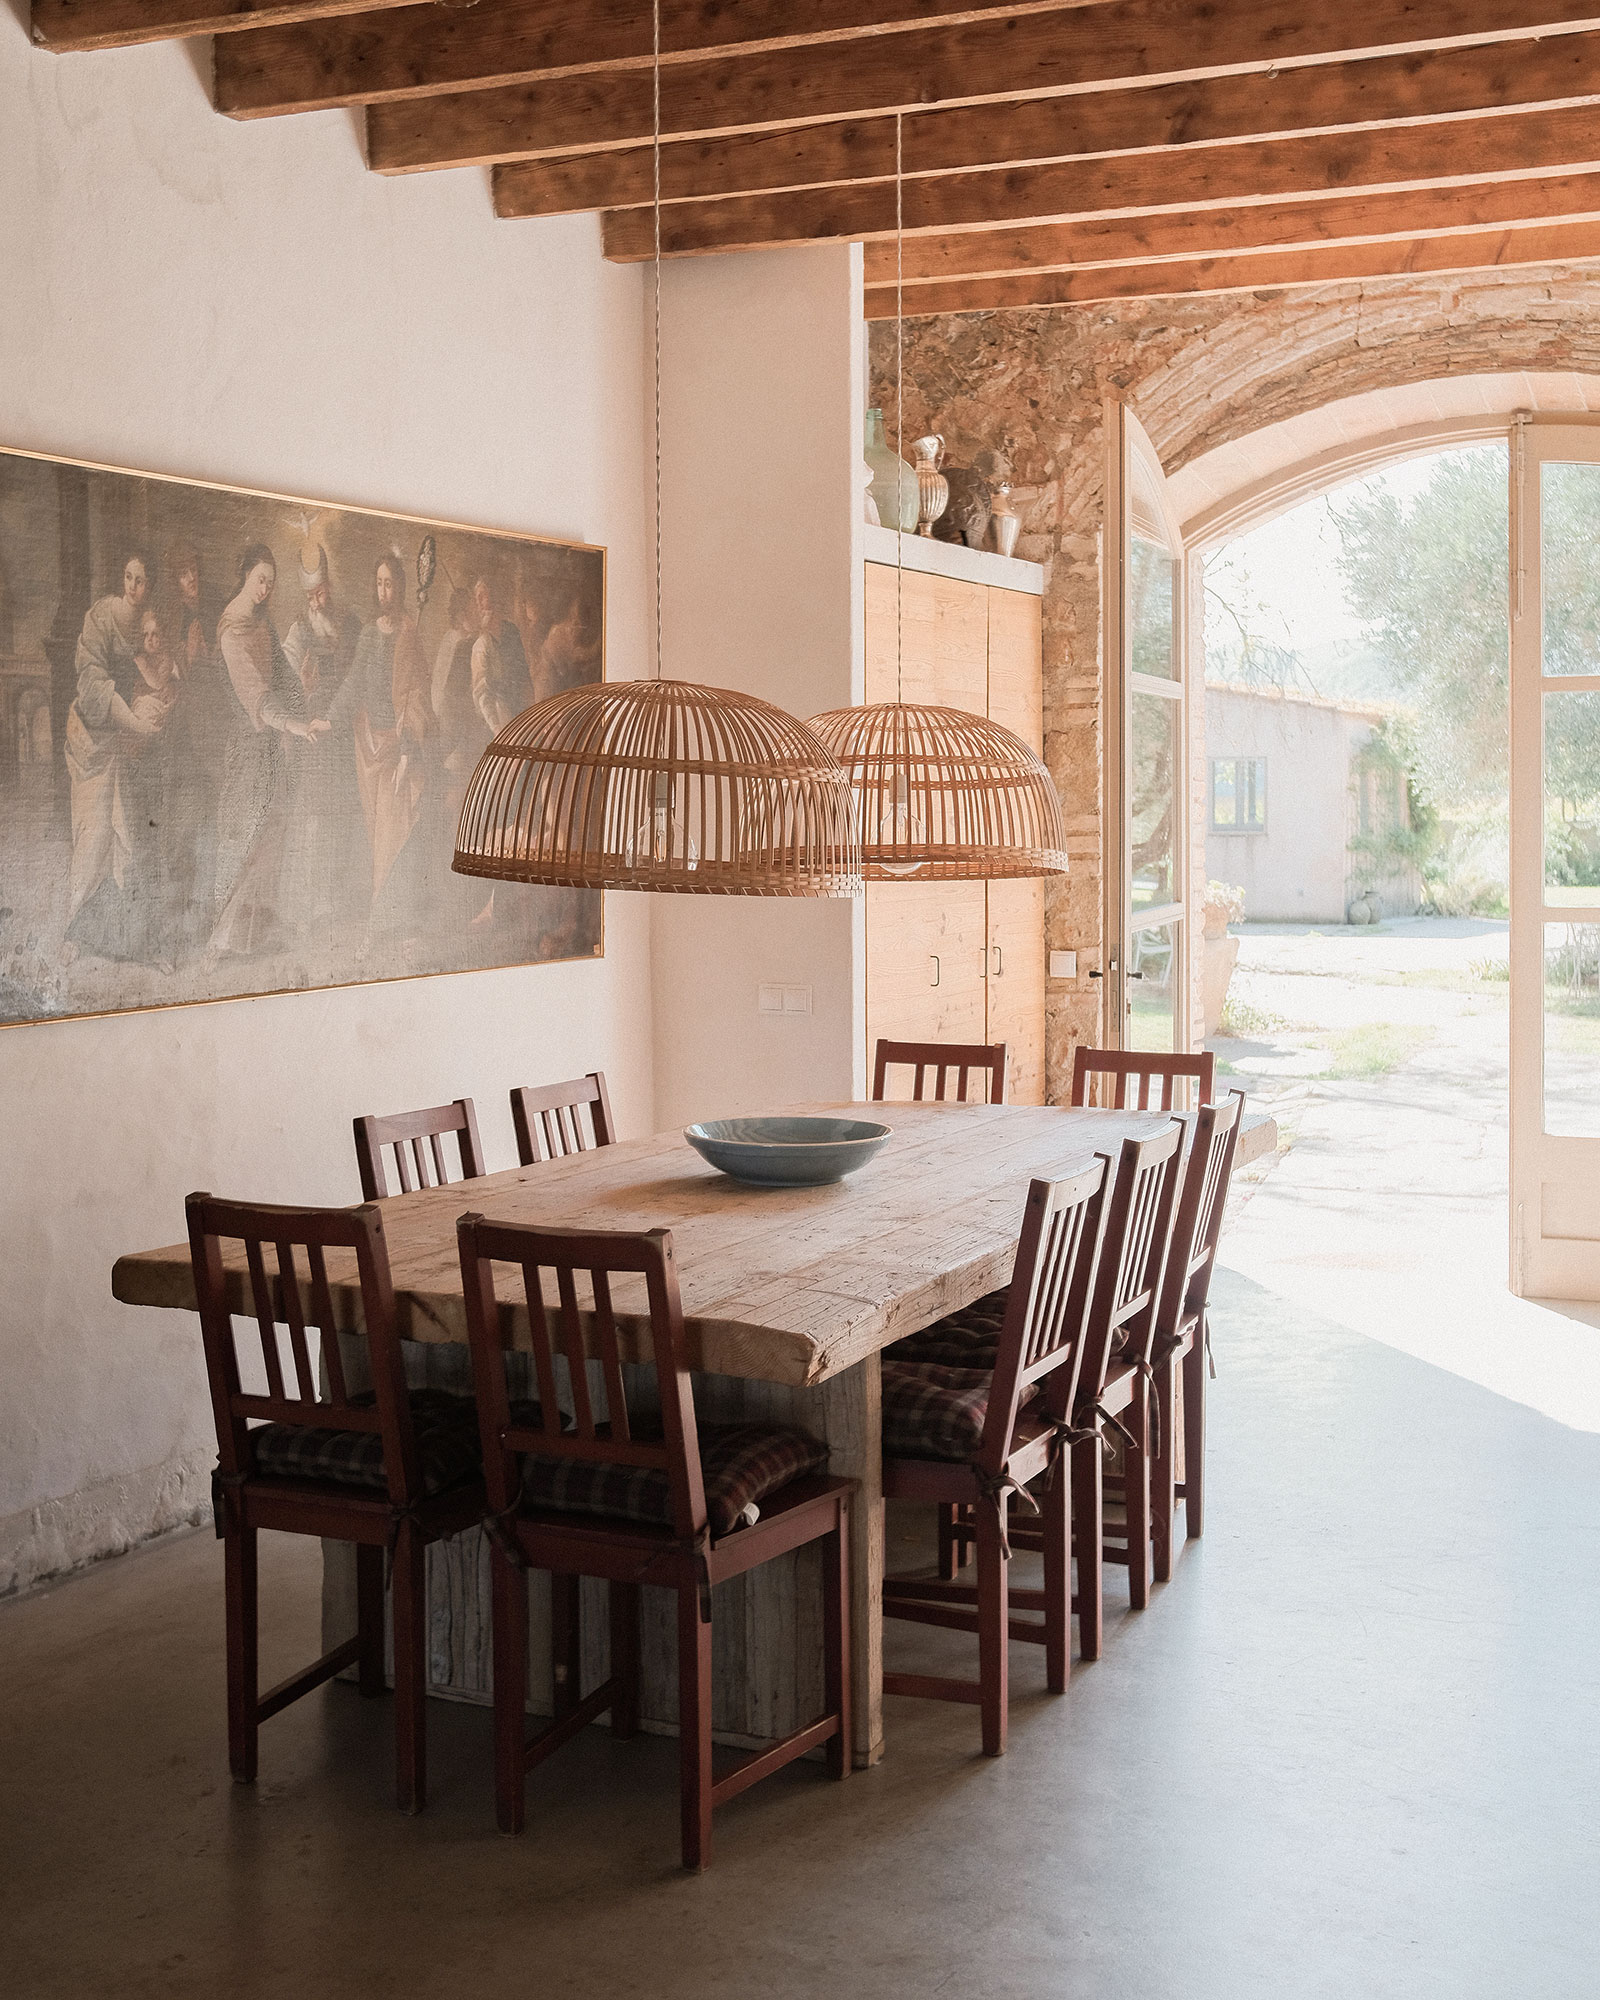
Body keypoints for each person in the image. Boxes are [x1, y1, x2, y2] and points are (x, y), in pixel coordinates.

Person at [207, 543, 328, 961]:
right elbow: (256, 697)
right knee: (242, 837)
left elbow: (284, 679)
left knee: (270, 837)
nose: (265, 590)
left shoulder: (264, 625)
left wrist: (305, 698)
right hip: (247, 749)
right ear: (245, 575)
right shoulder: (230, 631)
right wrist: (294, 724)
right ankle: (221, 941)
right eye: (260, 580)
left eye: (271, 584)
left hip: (270, 747)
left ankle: (250, 937)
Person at [62, 553, 165, 963]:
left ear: (150, 585)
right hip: (95, 741)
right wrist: (135, 723)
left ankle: (133, 942)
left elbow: (161, 676)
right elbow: (93, 685)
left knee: (130, 840)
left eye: (141, 580)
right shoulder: (101, 617)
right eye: (128, 577)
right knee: (93, 840)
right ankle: (74, 932)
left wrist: (150, 714)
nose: (132, 586)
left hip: (129, 749)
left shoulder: (149, 624)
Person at [327, 551, 434, 933]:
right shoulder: (370, 634)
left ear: (401, 587)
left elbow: (420, 696)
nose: (384, 591)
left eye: (390, 583)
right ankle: (383, 920)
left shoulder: (410, 633)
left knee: (394, 837)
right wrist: (330, 717)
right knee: (377, 839)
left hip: (399, 748)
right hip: (369, 746)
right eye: (379, 583)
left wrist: (406, 740)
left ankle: (389, 923)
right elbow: (355, 682)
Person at [281, 545, 365, 934]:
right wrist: (302, 683)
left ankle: (335, 901)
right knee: (312, 818)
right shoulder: (299, 629)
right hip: (314, 737)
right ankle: (308, 906)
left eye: (321, 592)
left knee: (342, 817)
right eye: (310, 595)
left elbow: (359, 675)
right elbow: (285, 679)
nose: (316, 601)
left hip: (342, 735)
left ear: (329, 587)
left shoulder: (349, 624)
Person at [468, 571, 534, 736]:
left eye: (483, 596)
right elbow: (482, 693)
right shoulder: (481, 644)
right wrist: (497, 729)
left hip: (519, 711)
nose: (479, 603)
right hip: (495, 719)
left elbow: (524, 675)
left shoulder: (512, 631)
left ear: (495, 596)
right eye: (477, 598)